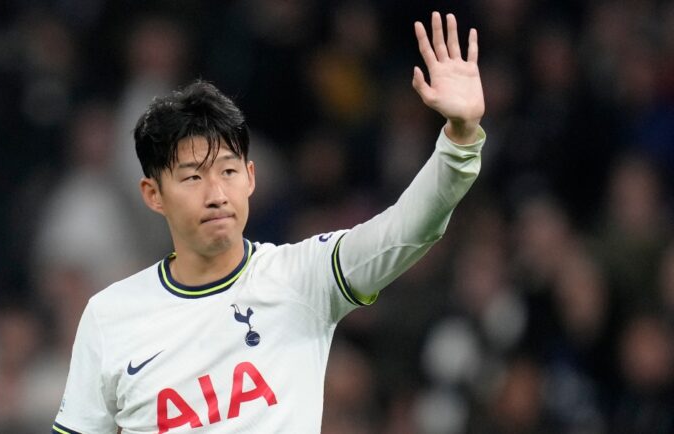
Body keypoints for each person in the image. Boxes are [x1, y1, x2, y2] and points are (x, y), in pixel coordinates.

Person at [52, 12, 485, 434]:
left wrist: (460, 139)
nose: (216, 193)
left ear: (251, 178)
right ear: (153, 195)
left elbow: (410, 228)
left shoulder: (303, 278)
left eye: (228, 171)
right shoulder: (110, 316)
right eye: (192, 177)